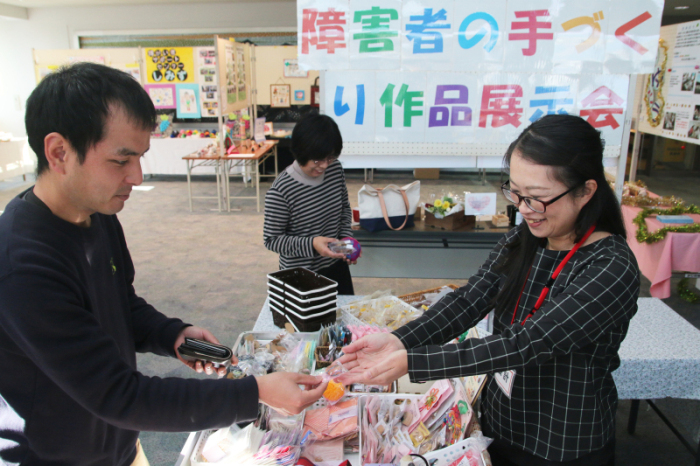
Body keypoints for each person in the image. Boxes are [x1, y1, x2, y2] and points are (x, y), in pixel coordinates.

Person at [0, 63, 326, 465]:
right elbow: (120, 395)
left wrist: (173, 335)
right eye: (121, 161)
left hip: (117, 444)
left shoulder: (97, 213)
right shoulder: (21, 266)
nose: (137, 176)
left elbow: (120, 303)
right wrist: (255, 392)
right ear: (59, 152)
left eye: (140, 157)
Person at [338, 115, 640, 466]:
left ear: (586, 190)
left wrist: (412, 361)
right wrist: (402, 340)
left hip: (561, 441)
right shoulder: (524, 240)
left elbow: (525, 344)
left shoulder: (610, 267)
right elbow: (469, 300)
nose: (524, 209)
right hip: (500, 422)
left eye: (538, 198)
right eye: (516, 192)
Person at [263, 113, 357, 294]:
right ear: (301, 151)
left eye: (329, 157)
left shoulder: (335, 170)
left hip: (335, 268)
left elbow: (344, 208)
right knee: (312, 321)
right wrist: (312, 244)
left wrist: (345, 241)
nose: (323, 166)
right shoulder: (282, 190)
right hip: (300, 275)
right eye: (317, 159)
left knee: (343, 319)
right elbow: (272, 240)